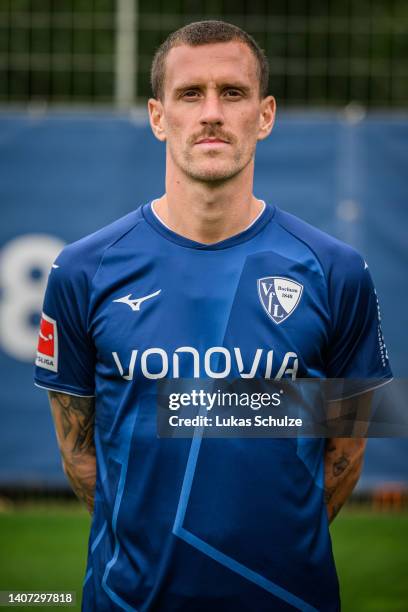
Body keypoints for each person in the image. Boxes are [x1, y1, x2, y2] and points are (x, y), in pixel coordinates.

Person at [34, 20, 392, 612]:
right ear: (157, 116)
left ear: (265, 114)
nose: (211, 113)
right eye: (189, 94)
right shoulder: (82, 270)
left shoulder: (337, 271)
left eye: (232, 93)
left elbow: (345, 457)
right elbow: (79, 454)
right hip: (130, 601)